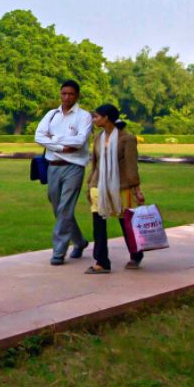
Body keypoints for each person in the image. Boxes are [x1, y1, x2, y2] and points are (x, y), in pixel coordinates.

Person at [33, 79, 93, 265]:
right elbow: (38, 136)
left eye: (71, 94)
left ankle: (58, 252)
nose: (67, 97)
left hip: (74, 167)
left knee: (65, 208)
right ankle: (80, 241)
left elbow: (79, 141)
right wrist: (61, 144)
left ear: (77, 95)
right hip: (53, 166)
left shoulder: (84, 116)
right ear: (60, 94)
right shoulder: (52, 115)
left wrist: (53, 140)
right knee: (58, 207)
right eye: (64, 93)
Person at [84, 104, 144, 274]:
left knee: (125, 222)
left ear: (106, 118)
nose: (94, 119)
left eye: (96, 116)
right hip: (99, 186)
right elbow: (95, 164)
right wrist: (90, 185)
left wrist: (137, 190)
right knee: (98, 223)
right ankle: (102, 261)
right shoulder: (97, 138)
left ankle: (136, 254)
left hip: (121, 186)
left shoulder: (127, 138)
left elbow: (132, 167)